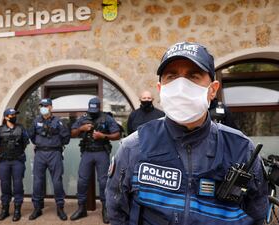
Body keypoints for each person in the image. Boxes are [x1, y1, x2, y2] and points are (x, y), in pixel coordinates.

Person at [105, 42, 268, 225]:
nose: (181, 86)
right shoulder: (133, 147)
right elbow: (117, 212)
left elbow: (258, 213)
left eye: (193, 76)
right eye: (171, 76)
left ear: (213, 90)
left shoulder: (241, 149)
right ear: (160, 89)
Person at [70, 97, 121, 223]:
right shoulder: (83, 118)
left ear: (99, 107)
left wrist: (103, 136)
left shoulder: (107, 118)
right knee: (82, 180)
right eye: (90, 110)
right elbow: (72, 133)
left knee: (104, 182)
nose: (92, 112)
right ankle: (81, 208)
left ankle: (106, 209)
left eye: (95, 110)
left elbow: (117, 134)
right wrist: (81, 129)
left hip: (101, 153)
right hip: (87, 152)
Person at [28, 98, 71, 221]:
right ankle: (37, 208)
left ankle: (60, 208)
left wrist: (55, 144)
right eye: (41, 105)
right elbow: (31, 136)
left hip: (54, 153)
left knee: (57, 181)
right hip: (40, 153)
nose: (43, 107)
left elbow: (66, 138)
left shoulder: (58, 122)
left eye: (45, 105)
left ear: (51, 107)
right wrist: (41, 143)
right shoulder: (36, 121)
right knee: (37, 181)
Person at [0, 108, 29, 222]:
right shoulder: (0, 130)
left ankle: (17, 210)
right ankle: (5, 209)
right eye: (11, 115)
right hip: (4, 162)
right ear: (6, 117)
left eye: (15, 115)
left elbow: (25, 144)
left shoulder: (21, 129)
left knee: (18, 186)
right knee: (5, 186)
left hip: (17, 161)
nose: (14, 116)